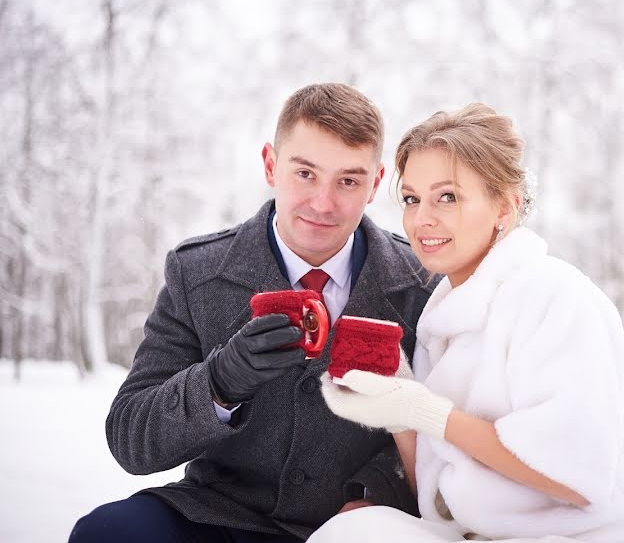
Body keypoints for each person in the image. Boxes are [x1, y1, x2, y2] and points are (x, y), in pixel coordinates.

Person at [69, 83, 435, 542]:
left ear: (375, 183)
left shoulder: (425, 286)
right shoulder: (197, 272)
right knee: (107, 533)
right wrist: (219, 383)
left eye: (348, 180)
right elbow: (130, 438)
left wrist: (374, 491)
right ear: (270, 164)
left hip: (357, 523)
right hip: (220, 516)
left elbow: (442, 431)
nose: (323, 203)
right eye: (305, 173)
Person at [311, 104, 624, 542]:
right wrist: (398, 412)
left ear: (505, 206)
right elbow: (436, 498)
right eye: (412, 199)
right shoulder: (443, 319)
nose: (421, 218)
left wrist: (424, 411)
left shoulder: (556, 296)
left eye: (447, 197)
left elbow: (574, 474)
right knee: (353, 532)